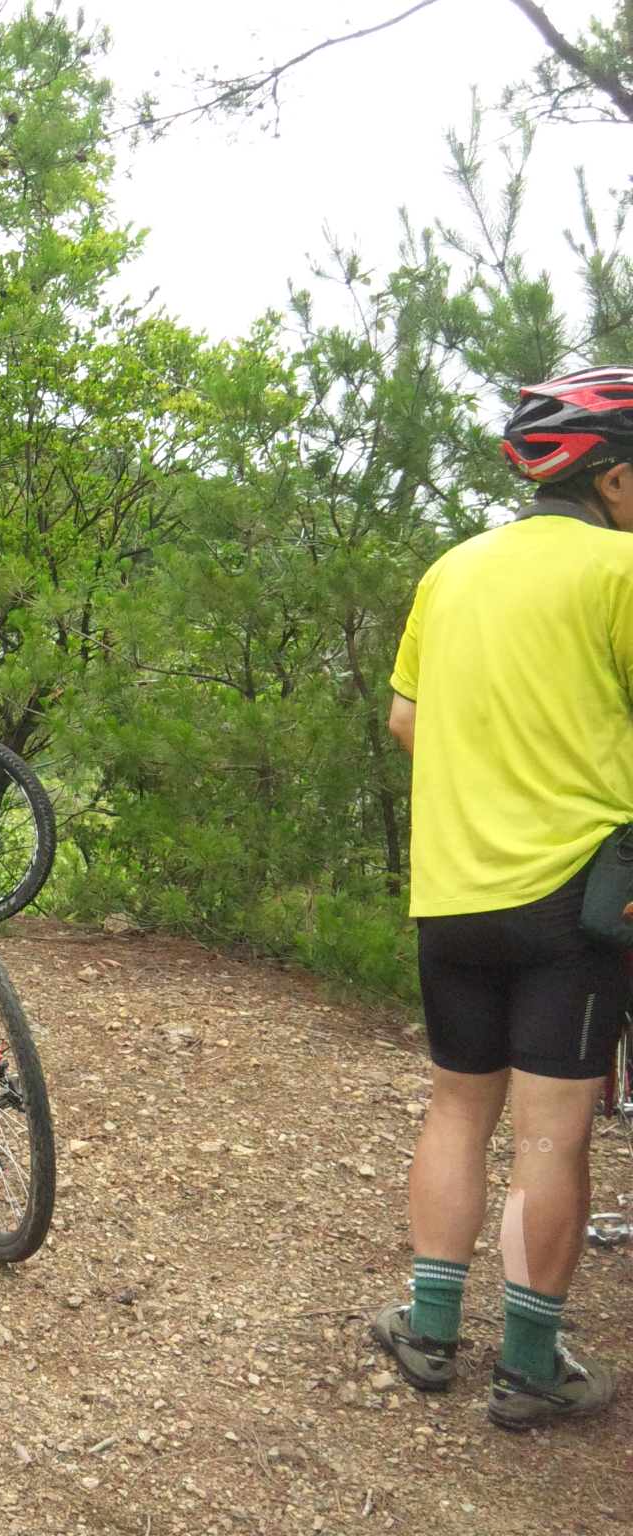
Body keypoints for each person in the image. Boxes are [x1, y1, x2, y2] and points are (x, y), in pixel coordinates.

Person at [372, 364, 633, 1429]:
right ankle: (528, 1364)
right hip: (570, 898)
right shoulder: (621, 571)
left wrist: (489, 775)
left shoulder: (451, 570)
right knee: (546, 1136)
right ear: (611, 483)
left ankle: (427, 1331)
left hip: (451, 891)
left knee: (454, 1104)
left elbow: (403, 718)